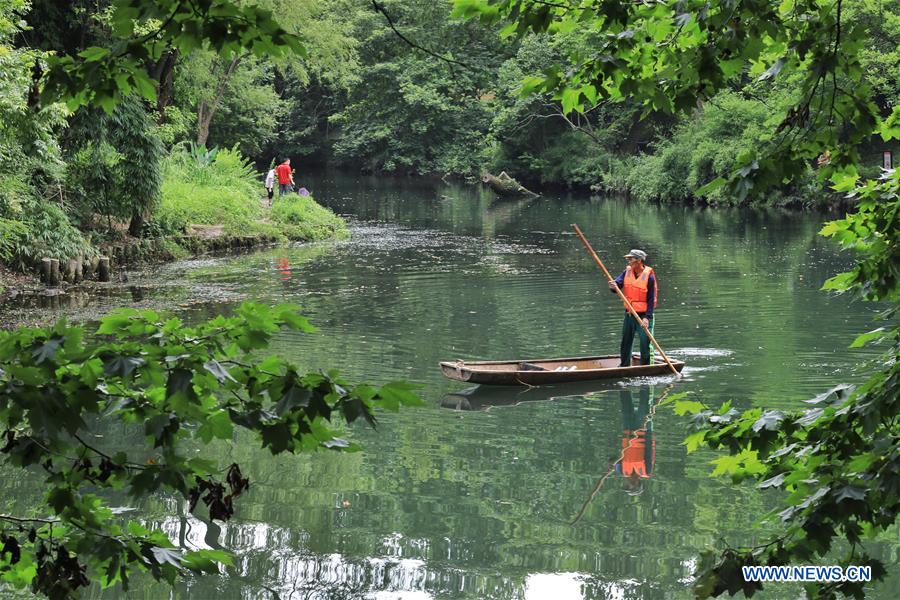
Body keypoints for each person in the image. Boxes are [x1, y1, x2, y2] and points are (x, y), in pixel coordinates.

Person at [608, 249, 657, 366]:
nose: (628, 261)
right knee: (626, 342)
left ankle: (646, 367)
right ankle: (624, 366)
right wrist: (613, 286)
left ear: (639, 260)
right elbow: (617, 286)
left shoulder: (649, 277)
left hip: (644, 316)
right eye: (628, 259)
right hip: (629, 314)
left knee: (645, 343)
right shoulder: (627, 272)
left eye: (631, 258)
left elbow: (651, 299)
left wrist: (647, 317)